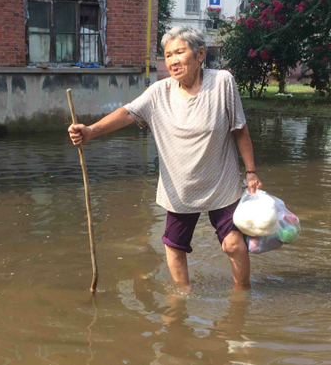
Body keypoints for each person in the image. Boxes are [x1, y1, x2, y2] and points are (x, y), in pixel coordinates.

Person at [68, 26, 262, 289]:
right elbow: (127, 112)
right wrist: (91, 131)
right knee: (174, 246)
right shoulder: (159, 92)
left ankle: (242, 293)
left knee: (233, 244)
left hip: (222, 183)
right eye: (168, 55)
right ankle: (183, 295)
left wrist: (250, 171)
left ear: (200, 54)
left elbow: (239, 128)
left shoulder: (222, 83)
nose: (172, 60)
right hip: (180, 189)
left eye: (179, 52)